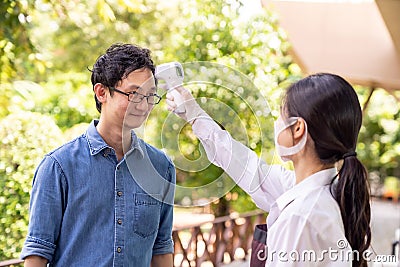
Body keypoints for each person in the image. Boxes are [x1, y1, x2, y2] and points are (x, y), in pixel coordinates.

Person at [166, 73, 371, 266]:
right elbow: (247, 167)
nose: (278, 124)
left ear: (298, 129)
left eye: (281, 116)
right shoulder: (326, 192)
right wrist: (194, 114)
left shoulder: (300, 217)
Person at [21, 43, 176, 267]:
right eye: (134, 94)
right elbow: (37, 253)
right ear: (102, 92)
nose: (143, 105)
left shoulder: (161, 167)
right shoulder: (58, 167)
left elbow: (161, 249)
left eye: (150, 95)